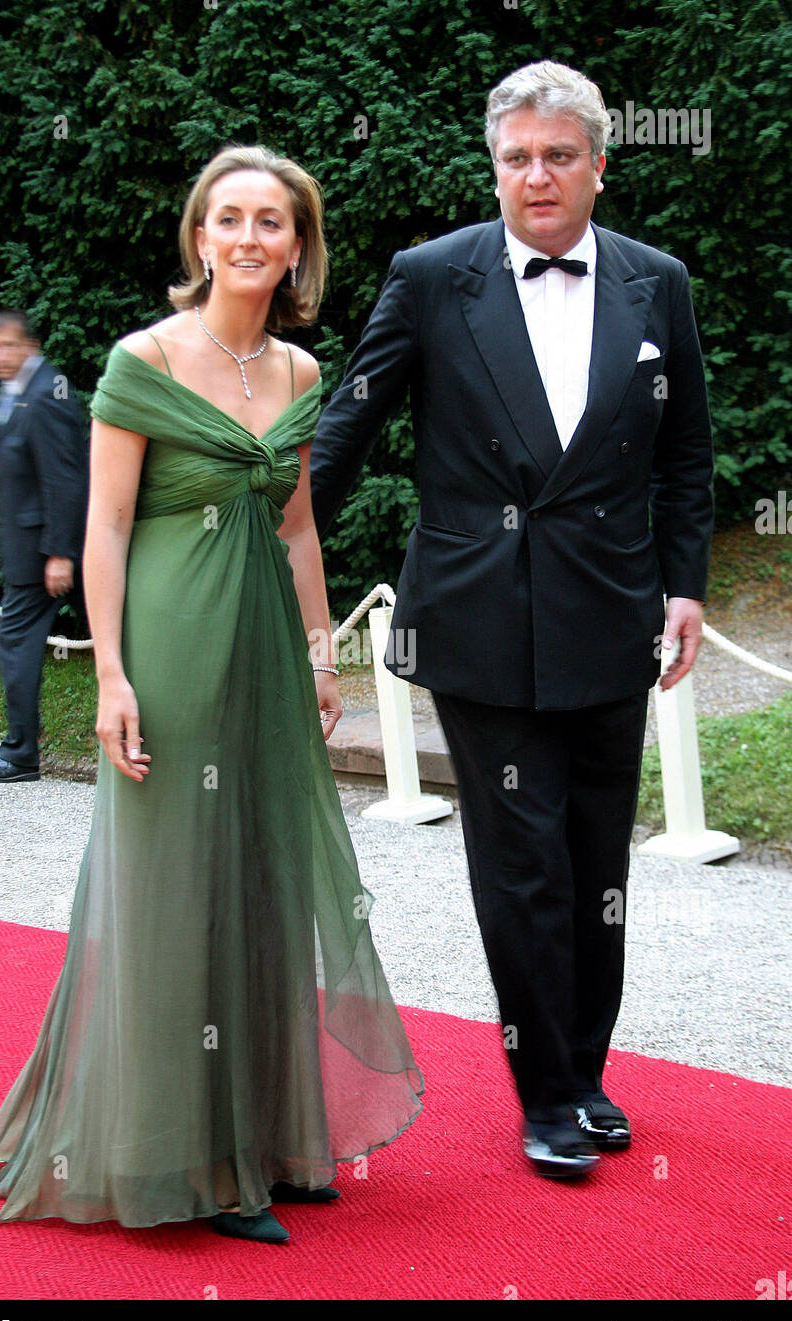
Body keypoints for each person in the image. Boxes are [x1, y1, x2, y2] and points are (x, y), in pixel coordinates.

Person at [0, 146, 423, 1243]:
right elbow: (104, 526)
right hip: (168, 645)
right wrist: (111, 673)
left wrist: (321, 654)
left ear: (298, 244)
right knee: (174, 886)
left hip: (264, 643)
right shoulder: (143, 359)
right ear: (199, 238)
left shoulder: (303, 374)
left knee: (263, 880)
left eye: (274, 221)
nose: (252, 238)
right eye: (231, 220)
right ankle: (184, 1154)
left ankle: (265, 1136)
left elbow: (299, 523)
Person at [309, 61, 714, 1179]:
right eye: (516, 157)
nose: (537, 175)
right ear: (496, 166)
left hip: (611, 615)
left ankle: (585, 1071)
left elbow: (684, 454)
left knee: (597, 858)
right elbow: (347, 428)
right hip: (478, 621)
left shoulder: (656, 283)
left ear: (597, 161)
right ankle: (546, 1093)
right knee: (522, 864)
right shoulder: (433, 277)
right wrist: (276, 550)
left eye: (558, 154)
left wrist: (684, 585)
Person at [0, 311, 88, 784]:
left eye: (7, 345)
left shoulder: (46, 392)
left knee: (16, 642)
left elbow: (65, 476)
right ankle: (21, 751)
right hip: (32, 548)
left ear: (30, 344)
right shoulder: (21, 389)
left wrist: (60, 552)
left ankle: (19, 755)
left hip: (44, 553)